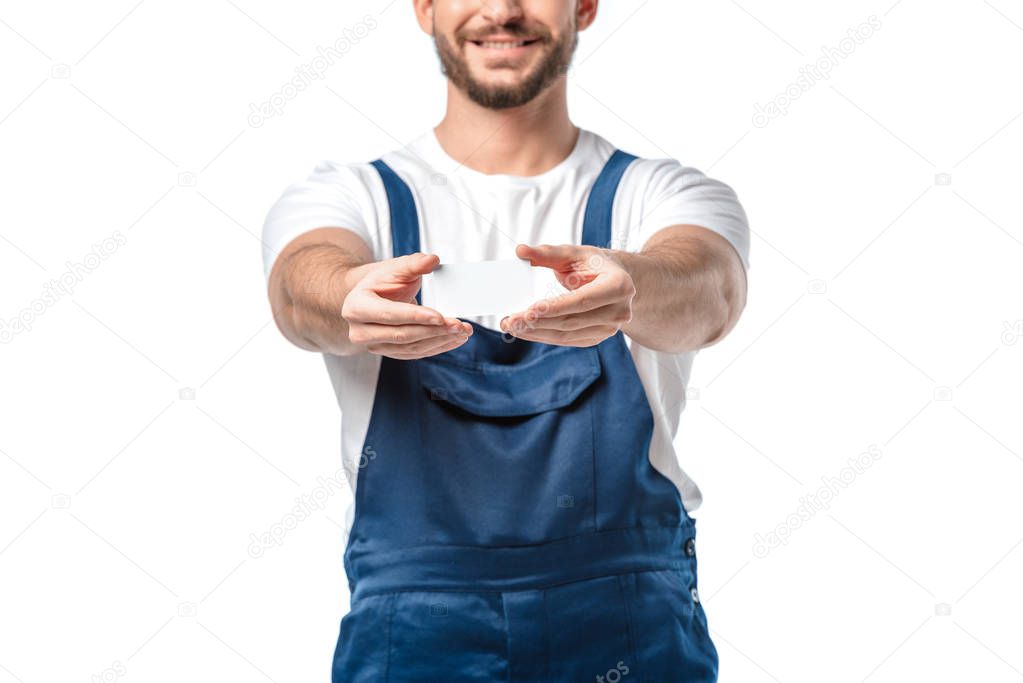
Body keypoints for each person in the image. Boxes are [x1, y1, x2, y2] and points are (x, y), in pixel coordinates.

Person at [262, 1, 750, 680]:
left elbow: (711, 291)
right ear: (425, 8)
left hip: (629, 630)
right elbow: (297, 286)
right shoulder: (350, 196)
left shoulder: (661, 194)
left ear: (583, 6)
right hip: (414, 636)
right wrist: (343, 295)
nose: (501, 9)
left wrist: (630, 283)